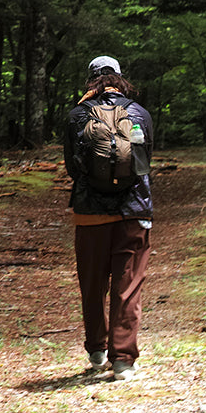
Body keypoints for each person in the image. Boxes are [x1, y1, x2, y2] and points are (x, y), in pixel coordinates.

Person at [63, 55, 153, 381]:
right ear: (119, 77)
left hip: (89, 214)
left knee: (92, 284)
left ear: (91, 80)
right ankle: (124, 360)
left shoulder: (76, 115)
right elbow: (144, 164)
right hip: (134, 212)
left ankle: (97, 350)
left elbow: (73, 170)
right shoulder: (139, 112)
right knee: (127, 287)